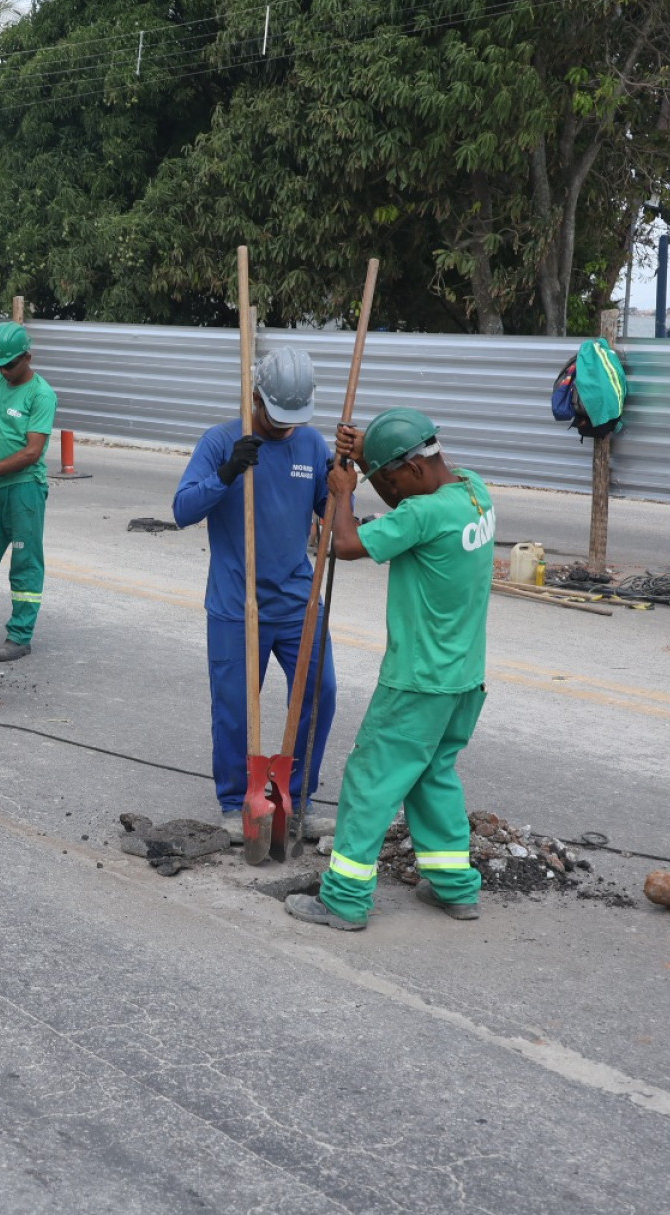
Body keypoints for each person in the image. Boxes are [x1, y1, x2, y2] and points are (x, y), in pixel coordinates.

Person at [285, 407, 496, 932]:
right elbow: (407, 479)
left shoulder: (422, 514)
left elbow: (343, 544)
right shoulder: (472, 491)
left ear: (416, 469)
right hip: (464, 678)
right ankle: (455, 887)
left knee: (370, 780)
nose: (390, 494)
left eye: (390, 481)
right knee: (431, 775)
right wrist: (370, 449)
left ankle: (344, 900)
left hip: (417, 680)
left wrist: (344, 492)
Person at [172, 347, 336, 844]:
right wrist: (225, 475)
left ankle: (295, 800)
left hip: (296, 602)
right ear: (254, 396)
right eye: (275, 417)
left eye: (293, 420)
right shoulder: (222, 441)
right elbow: (182, 509)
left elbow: (331, 512)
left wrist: (344, 483)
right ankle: (234, 801)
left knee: (319, 695)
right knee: (236, 708)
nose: (284, 429)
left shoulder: (309, 444)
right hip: (235, 605)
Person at [0, 321, 57, 662]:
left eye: (8, 364)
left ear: (27, 358)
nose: (3, 370)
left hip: (24, 490)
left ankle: (20, 635)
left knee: (25, 563)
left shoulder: (42, 394)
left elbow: (31, 452)